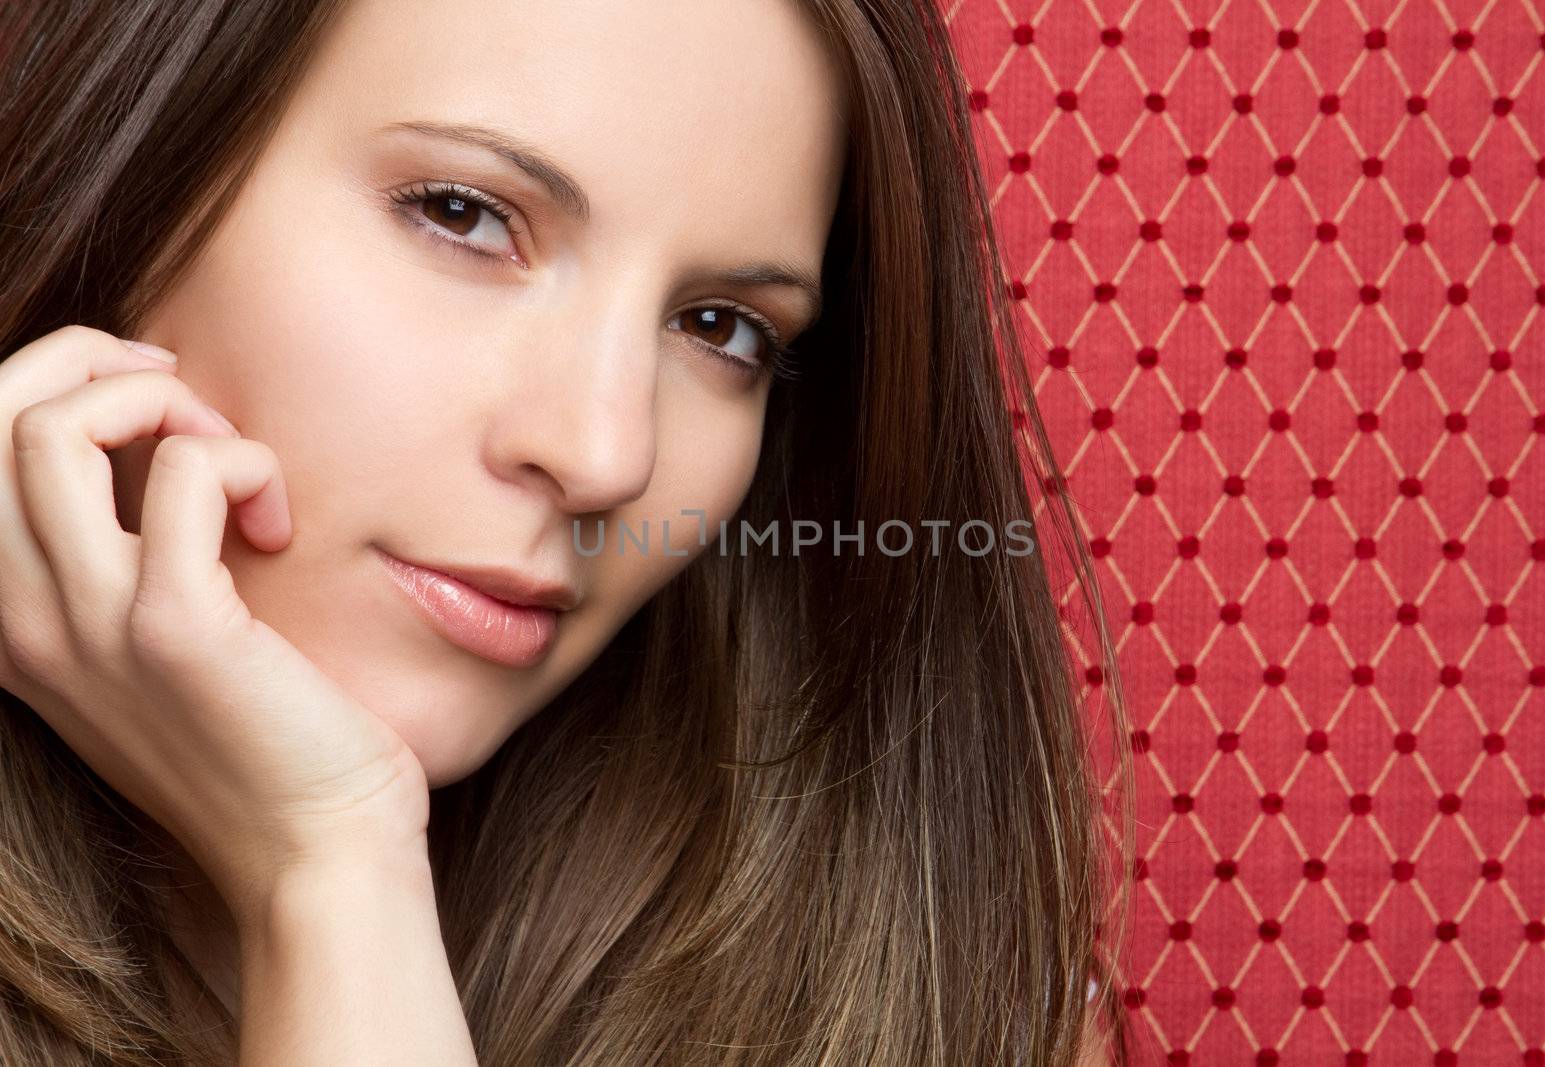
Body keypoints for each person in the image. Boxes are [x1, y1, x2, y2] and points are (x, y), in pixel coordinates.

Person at [0, 0, 1130, 1062]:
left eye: (719, 327)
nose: (606, 454)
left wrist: (334, 877)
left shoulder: (951, 994)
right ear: (136, 167)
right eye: (465, 213)